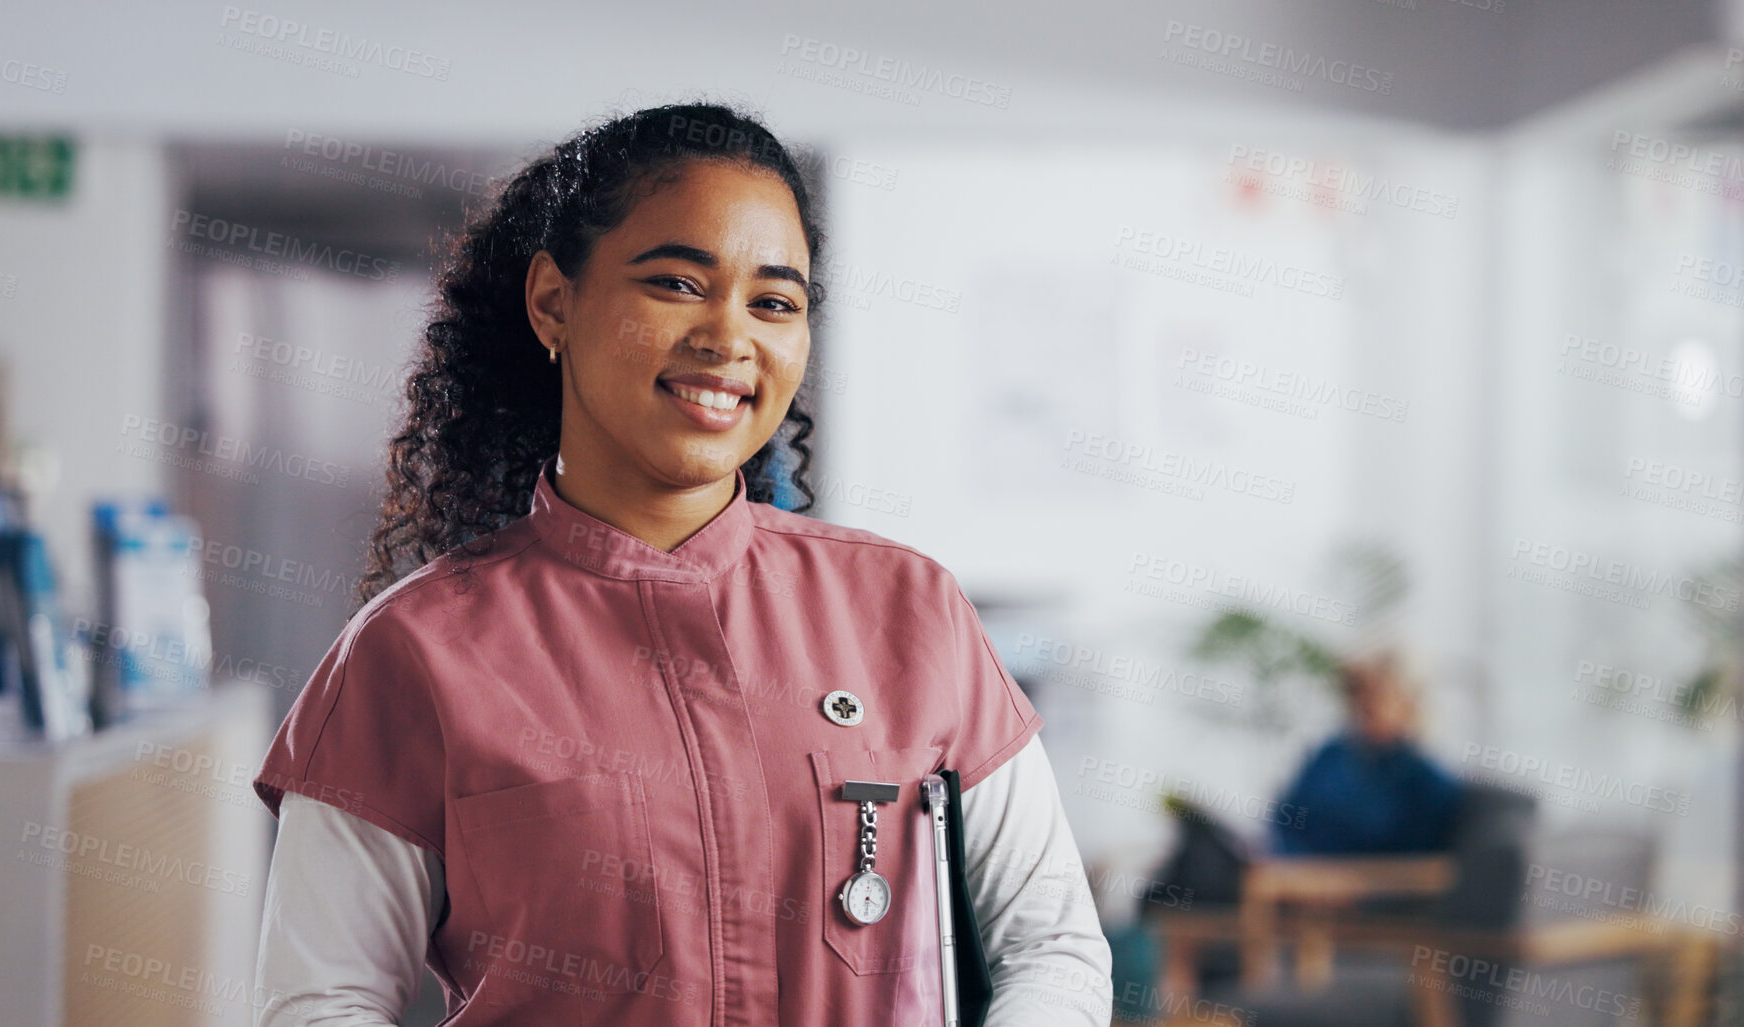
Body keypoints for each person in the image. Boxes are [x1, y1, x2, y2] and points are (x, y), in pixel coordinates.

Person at [250, 103, 1112, 1026]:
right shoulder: (415, 649)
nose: (728, 338)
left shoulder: (907, 608)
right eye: (675, 283)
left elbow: (1048, 945)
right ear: (553, 302)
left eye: (773, 303)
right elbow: (322, 1001)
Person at [1270, 648, 1463, 855]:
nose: (1363, 703)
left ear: (1408, 700)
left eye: (1376, 694)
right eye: (1356, 691)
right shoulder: (1329, 755)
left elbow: (1417, 861)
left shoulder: (1429, 783)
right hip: (1297, 871)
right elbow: (1286, 820)